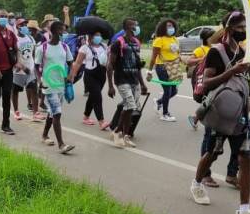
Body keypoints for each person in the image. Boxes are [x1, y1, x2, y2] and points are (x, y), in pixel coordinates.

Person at [189, 11, 250, 214]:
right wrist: (232, 70)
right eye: (240, 27)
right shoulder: (216, 51)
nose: (243, 31)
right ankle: (197, 184)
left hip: (240, 113)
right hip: (220, 113)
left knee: (245, 157)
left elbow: (243, 81)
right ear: (229, 28)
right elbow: (207, 83)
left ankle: (244, 211)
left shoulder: (241, 51)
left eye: (245, 27)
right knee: (212, 152)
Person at [107, 18, 148, 148]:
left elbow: (137, 65)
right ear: (125, 28)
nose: (135, 27)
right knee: (130, 106)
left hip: (134, 80)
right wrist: (110, 86)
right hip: (122, 79)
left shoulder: (136, 43)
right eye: (132, 25)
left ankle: (125, 135)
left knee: (130, 108)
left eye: (136, 25)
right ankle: (117, 132)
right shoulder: (118, 43)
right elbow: (110, 65)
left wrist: (142, 84)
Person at [36, 21, 75, 154]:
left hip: (61, 85)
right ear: (53, 31)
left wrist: (70, 75)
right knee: (57, 113)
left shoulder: (64, 47)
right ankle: (61, 145)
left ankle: (44, 135)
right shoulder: (42, 48)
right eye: (61, 30)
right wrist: (40, 80)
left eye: (64, 30)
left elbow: (71, 63)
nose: (63, 33)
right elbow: (36, 66)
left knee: (52, 113)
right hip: (48, 85)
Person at [70, 29, 109, 130]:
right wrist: (73, 75)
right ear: (91, 37)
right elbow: (78, 63)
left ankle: (86, 117)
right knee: (98, 97)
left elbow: (108, 61)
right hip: (90, 76)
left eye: (99, 35)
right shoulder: (85, 48)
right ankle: (101, 121)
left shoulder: (104, 46)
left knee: (93, 97)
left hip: (102, 75)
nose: (99, 37)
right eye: (96, 35)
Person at [147, 19, 183, 122]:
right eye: (168, 26)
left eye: (172, 26)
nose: (171, 28)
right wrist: (149, 72)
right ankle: (165, 114)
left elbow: (177, 54)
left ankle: (159, 102)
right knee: (167, 91)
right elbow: (153, 57)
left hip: (173, 67)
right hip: (162, 67)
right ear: (163, 28)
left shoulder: (175, 39)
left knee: (174, 91)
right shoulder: (159, 40)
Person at [11, 20, 42, 122]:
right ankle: (16, 112)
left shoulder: (30, 38)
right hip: (19, 70)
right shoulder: (14, 38)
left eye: (25, 24)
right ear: (17, 27)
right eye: (22, 24)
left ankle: (35, 113)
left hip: (30, 69)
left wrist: (35, 65)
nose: (24, 26)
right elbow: (11, 55)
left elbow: (33, 52)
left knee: (34, 89)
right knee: (15, 91)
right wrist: (20, 66)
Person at [186, 27, 215, 130]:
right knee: (209, 100)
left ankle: (195, 118)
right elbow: (189, 62)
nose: (214, 38)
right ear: (206, 38)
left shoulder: (216, 47)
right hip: (204, 79)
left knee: (210, 100)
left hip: (215, 77)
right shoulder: (200, 50)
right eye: (212, 37)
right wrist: (202, 59)